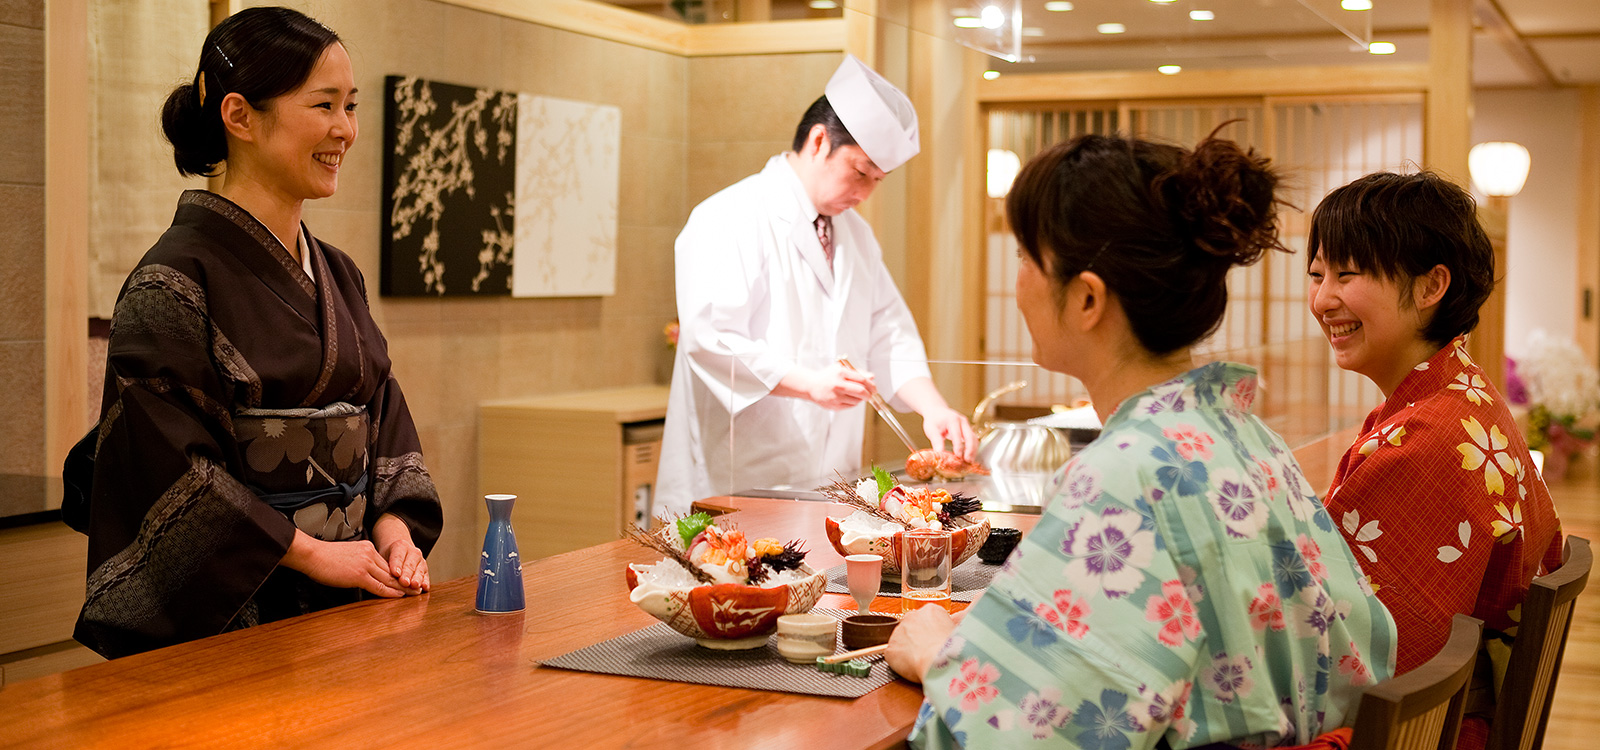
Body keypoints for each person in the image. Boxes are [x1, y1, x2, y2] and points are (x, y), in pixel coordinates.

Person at [886, 132, 1397, 749]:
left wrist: (938, 654)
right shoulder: (1247, 435)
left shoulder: (1128, 473)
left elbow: (1020, 738)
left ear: (1087, 299)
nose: (1016, 279)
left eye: (1026, 257)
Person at [73, 7, 443, 659]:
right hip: (237, 618)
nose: (345, 130)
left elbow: (382, 416)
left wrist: (391, 530)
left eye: (350, 106)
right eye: (324, 105)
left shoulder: (339, 273)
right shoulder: (171, 283)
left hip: (347, 607)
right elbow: (171, 472)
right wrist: (311, 554)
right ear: (240, 116)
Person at [1307, 171, 1562, 747]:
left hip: (1430, 731)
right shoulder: (1460, 398)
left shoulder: (1425, 443)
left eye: (1348, 272)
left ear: (1430, 286)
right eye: (1317, 273)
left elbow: (1349, 646)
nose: (1324, 298)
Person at [656, 55, 974, 514]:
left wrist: (934, 409)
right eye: (860, 172)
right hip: (736, 479)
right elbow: (711, 338)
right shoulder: (729, 216)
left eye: (877, 181)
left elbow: (890, 332)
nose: (864, 193)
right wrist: (808, 384)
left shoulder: (856, 236)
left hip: (828, 481)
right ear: (819, 140)